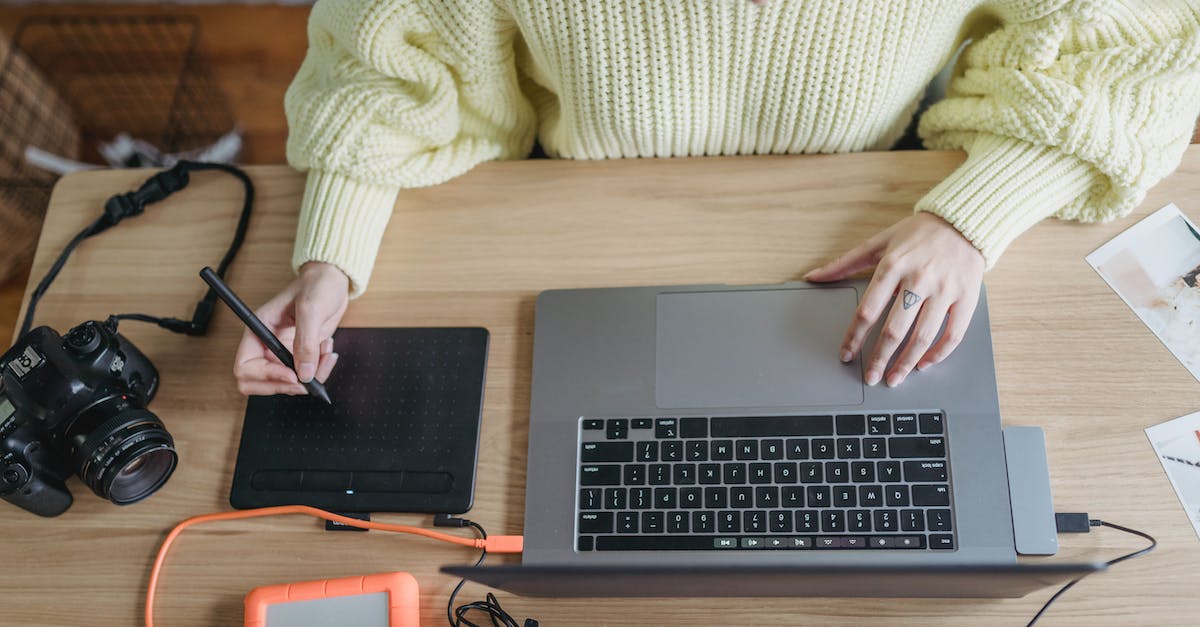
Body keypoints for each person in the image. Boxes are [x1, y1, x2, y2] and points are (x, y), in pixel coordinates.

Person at [234, 0, 1200, 396]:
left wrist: (969, 217)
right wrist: (331, 253)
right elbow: (389, 58)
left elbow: (1141, 51)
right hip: (571, 230)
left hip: (866, 214)